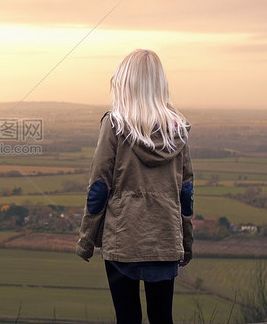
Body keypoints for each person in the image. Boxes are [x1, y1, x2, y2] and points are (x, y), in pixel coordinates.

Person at [76, 49, 194, 324]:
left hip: (123, 237)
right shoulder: (178, 129)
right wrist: (185, 243)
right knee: (162, 317)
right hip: (165, 236)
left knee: (127, 318)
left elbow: (99, 188)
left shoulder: (115, 124)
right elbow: (185, 193)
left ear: (125, 83)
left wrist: (86, 240)